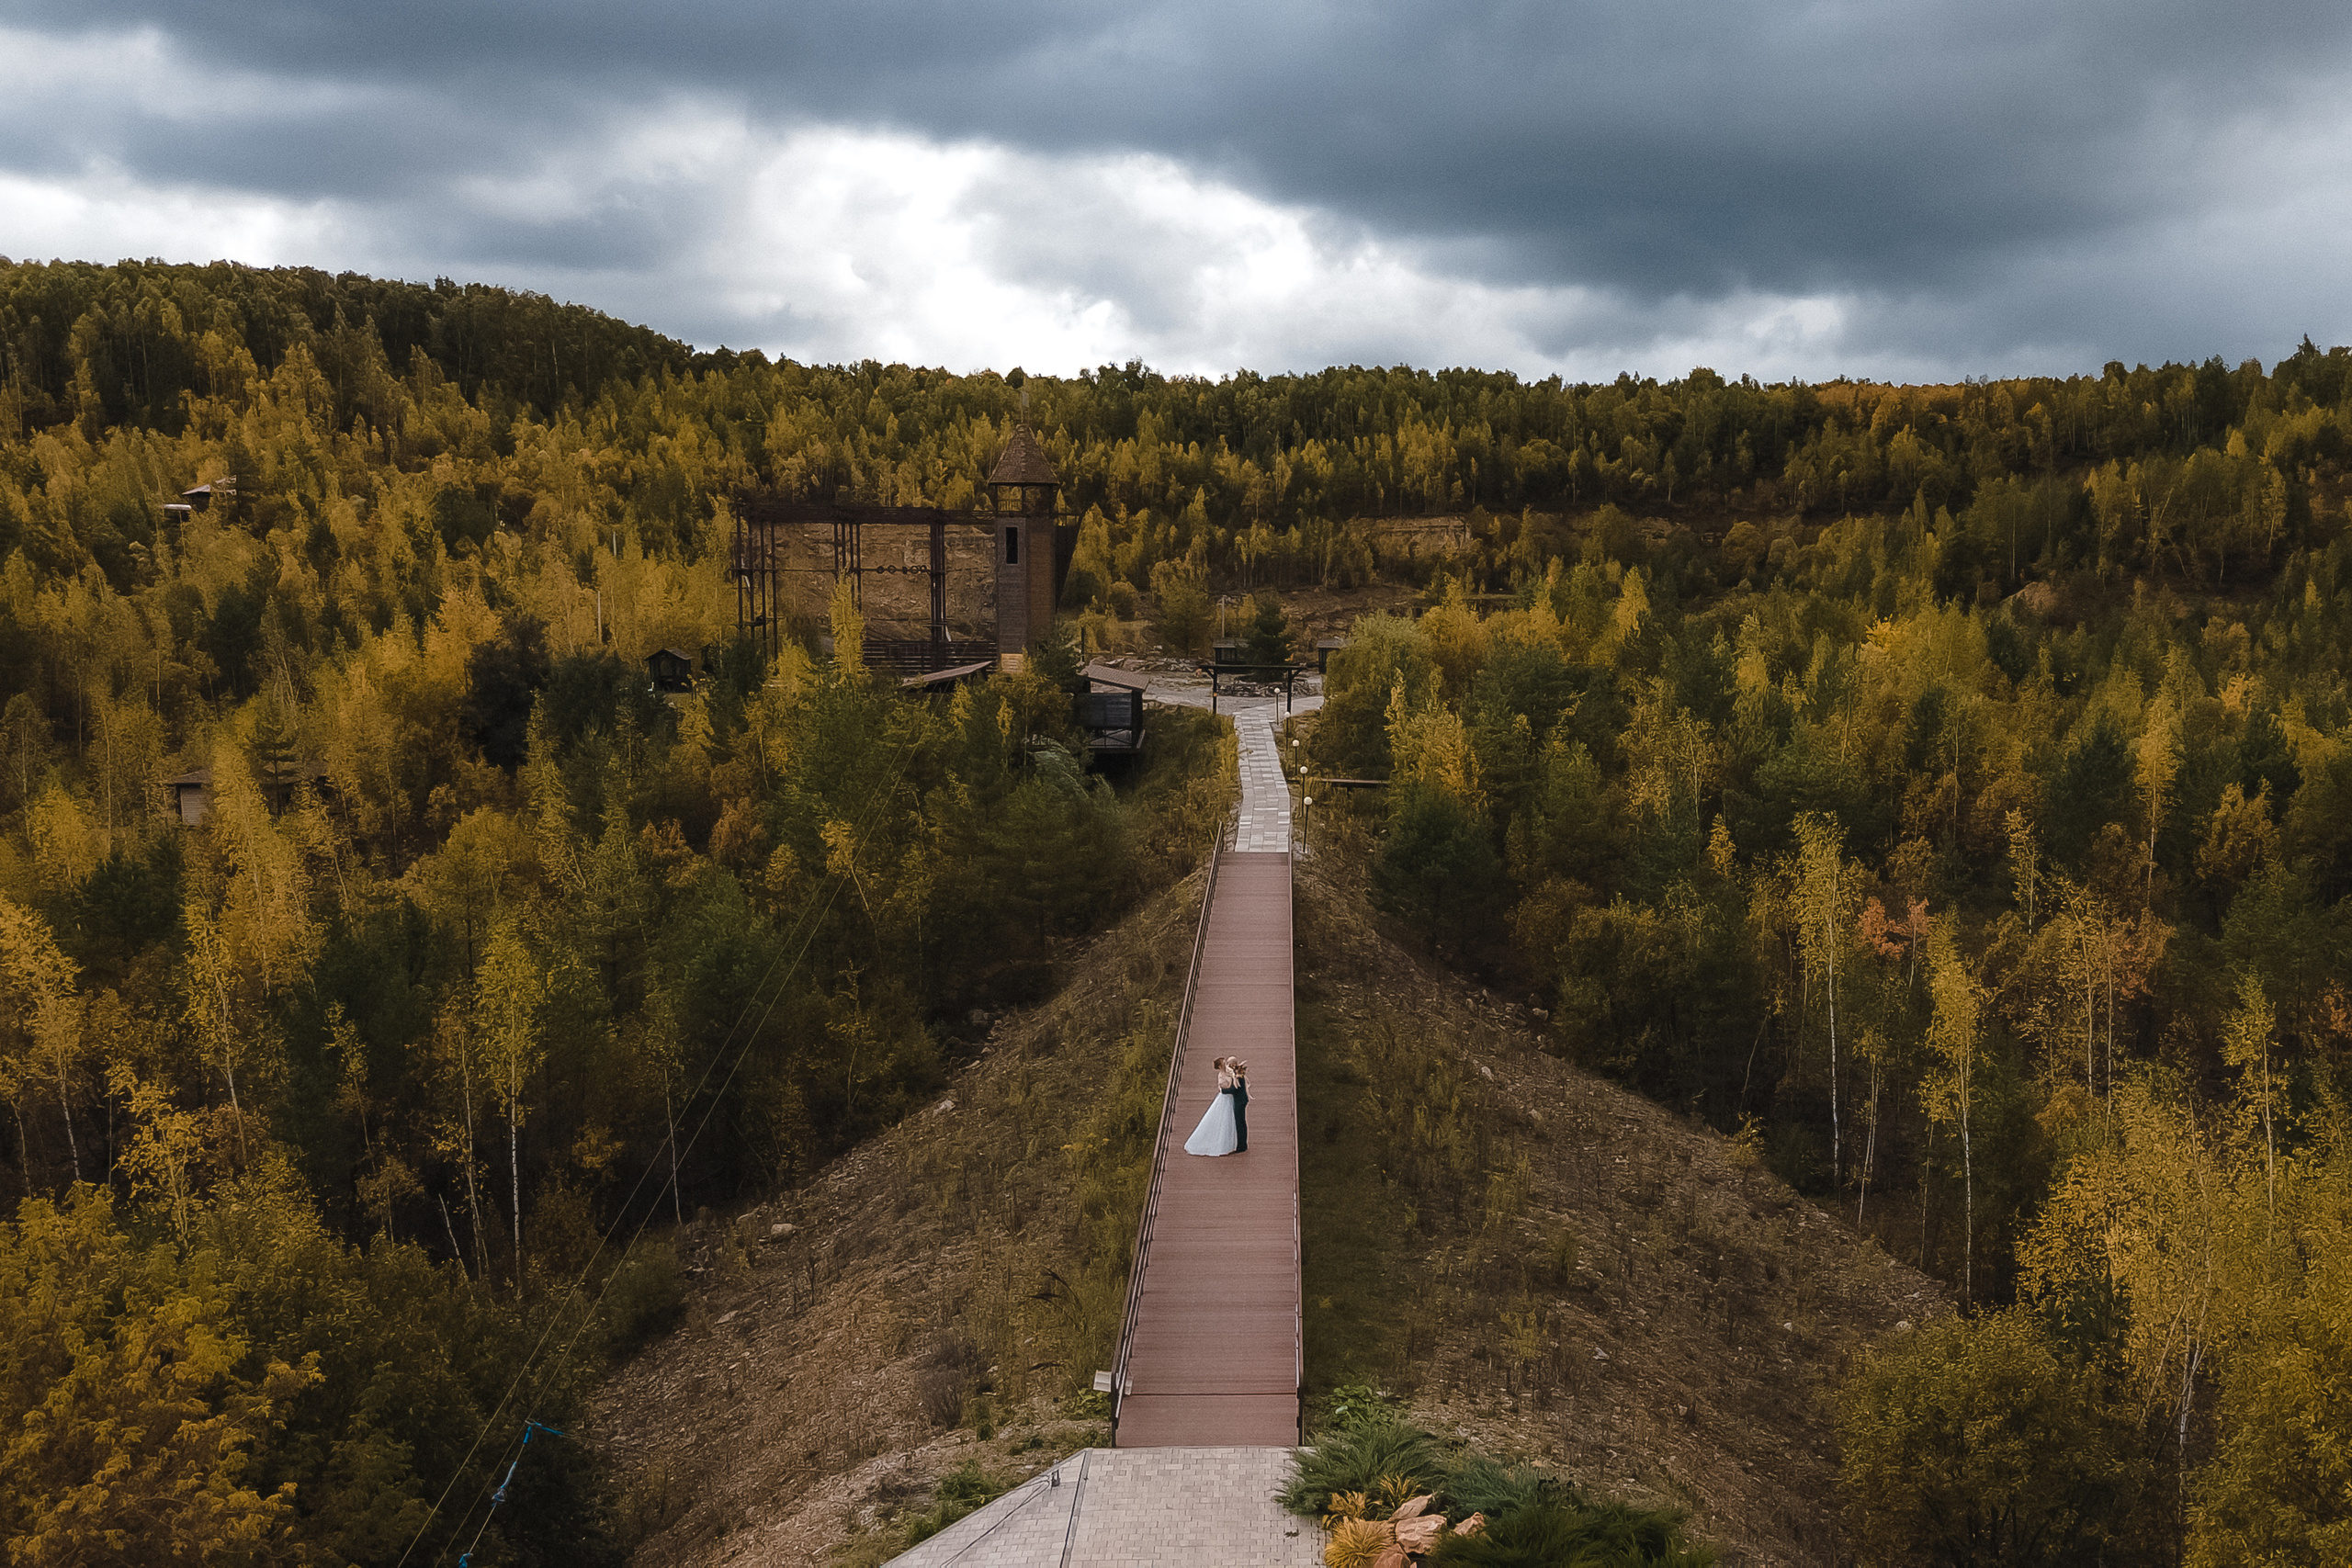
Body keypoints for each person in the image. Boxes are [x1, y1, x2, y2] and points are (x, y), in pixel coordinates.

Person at [1182, 1056, 1239, 1156]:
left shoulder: (1228, 1071)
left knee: (1230, 1120)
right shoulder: (1221, 1076)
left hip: (1231, 1098)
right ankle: (1223, 1144)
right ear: (1220, 1066)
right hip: (1226, 1098)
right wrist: (1233, 1081)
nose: (1225, 1063)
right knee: (1225, 1120)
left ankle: (1231, 1143)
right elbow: (1224, 1087)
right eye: (1223, 1063)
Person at [1226, 1057, 1250, 1153]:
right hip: (1242, 1100)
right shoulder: (1238, 1072)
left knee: (1240, 1123)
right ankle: (1243, 1144)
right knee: (1242, 1122)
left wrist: (1223, 1090)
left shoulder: (1238, 1074)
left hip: (1240, 1101)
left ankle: (1241, 1145)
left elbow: (1234, 1089)